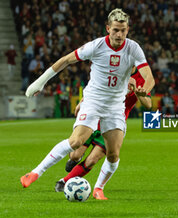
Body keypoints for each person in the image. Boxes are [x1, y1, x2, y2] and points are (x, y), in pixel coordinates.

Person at [20, 9, 155, 194]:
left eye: (123, 30)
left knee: (113, 154)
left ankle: (99, 189)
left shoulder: (133, 48)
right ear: (108, 28)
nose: (119, 34)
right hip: (93, 100)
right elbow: (66, 60)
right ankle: (35, 173)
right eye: (115, 30)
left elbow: (149, 77)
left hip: (116, 106)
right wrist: (40, 82)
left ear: (128, 30)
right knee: (76, 142)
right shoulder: (96, 46)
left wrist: (143, 89)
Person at [55, 68, 152, 199]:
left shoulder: (142, 78)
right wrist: (82, 101)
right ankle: (74, 159)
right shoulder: (113, 68)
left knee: (91, 161)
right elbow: (95, 87)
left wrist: (137, 91)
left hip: (113, 125)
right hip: (94, 118)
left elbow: (148, 104)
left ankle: (64, 181)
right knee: (75, 155)